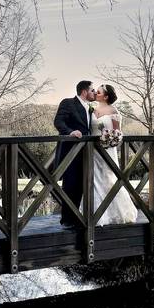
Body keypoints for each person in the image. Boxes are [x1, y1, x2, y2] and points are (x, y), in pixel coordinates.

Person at [90, 84, 139, 226]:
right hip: (92, 150)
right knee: (94, 179)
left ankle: (116, 212)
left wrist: (109, 139)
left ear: (105, 96)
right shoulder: (92, 110)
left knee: (108, 177)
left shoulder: (113, 110)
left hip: (107, 149)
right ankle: (95, 214)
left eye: (98, 92)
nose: (96, 94)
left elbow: (117, 133)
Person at [53, 80, 95, 226]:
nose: (94, 93)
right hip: (70, 152)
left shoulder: (91, 108)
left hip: (86, 153)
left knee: (82, 185)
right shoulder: (68, 103)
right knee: (70, 185)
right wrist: (70, 132)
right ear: (84, 91)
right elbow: (58, 122)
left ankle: (77, 216)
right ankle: (66, 220)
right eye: (92, 90)